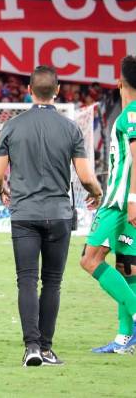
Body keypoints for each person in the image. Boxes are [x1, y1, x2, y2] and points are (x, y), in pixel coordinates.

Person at [0, 65, 103, 366]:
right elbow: (85, 176)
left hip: (24, 213)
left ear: (28, 91)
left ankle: (31, 348)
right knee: (52, 282)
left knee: (26, 280)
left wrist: (1, 190)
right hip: (58, 213)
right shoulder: (70, 129)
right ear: (57, 91)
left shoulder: (12, 126)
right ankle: (48, 347)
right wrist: (97, 192)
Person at [78, 56, 136, 355]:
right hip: (120, 198)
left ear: (120, 82)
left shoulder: (132, 114)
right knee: (129, 269)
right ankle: (125, 337)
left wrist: (131, 199)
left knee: (90, 259)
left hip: (122, 204)